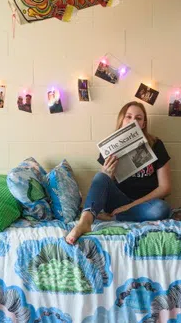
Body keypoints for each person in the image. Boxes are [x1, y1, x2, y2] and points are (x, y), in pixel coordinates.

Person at [66, 101, 171, 244]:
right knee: (100, 176)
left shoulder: (156, 144)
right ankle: (84, 222)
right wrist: (107, 172)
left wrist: (128, 207)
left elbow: (165, 188)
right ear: (121, 120)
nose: (133, 120)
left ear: (143, 124)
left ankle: (116, 217)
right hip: (117, 201)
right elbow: (103, 186)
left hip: (145, 204)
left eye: (138, 118)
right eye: (129, 116)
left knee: (161, 208)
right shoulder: (110, 148)